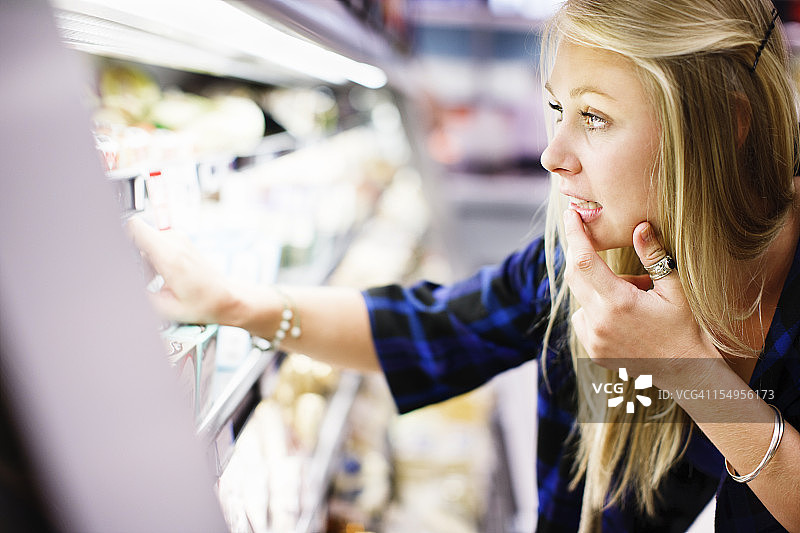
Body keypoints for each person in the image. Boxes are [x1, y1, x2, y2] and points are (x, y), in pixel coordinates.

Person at [129, 0, 800, 530]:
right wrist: (233, 304)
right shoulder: (584, 268)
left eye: (595, 117)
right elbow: (435, 328)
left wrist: (690, 374)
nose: (552, 154)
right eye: (557, 109)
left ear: (725, 122)